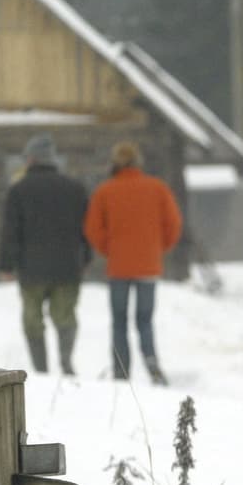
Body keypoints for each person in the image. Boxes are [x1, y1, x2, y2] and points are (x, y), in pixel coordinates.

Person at [84, 141, 182, 386]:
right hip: (148, 265)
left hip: (118, 267)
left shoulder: (105, 191)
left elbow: (93, 229)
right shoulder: (157, 188)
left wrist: (110, 249)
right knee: (145, 320)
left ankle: (120, 371)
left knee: (119, 321)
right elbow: (174, 224)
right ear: (139, 161)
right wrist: (159, 248)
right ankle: (152, 364)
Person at [0, 134, 91, 376]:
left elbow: (11, 231)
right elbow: (86, 229)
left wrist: (6, 265)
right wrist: (86, 258)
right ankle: (65, 362)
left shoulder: (18, 191)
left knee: (33, 320)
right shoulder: (74, 189)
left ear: (31, 159)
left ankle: (41, 371)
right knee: (65, 317)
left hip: (32, 269)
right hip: (67, 266)